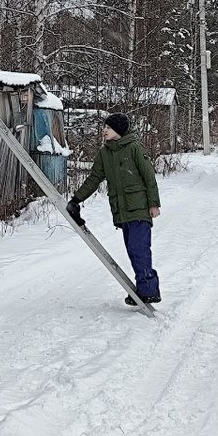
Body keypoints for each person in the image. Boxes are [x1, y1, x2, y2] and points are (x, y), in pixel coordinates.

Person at [66, 113, 162, 305]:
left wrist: (154, 204)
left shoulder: (134, 147)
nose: (104, 130)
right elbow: (94, 178)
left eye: (108, 127)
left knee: (139, 249)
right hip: (121, 211)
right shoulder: (105, 153)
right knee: (132, 250)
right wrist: (76, 200)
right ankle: (143, 290)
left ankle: (149, 291)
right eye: (105, 127)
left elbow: (149, 176)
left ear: (118, 130)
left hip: (139, 208)